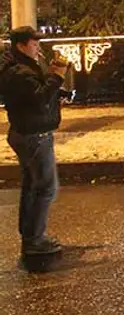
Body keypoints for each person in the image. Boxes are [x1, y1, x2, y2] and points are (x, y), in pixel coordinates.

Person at [0, 26, 68, 256]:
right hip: (34, 136)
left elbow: (35, 96)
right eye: (33, 42)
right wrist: (56, 75)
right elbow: (39, 99)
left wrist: (57, 91)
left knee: (32, 186)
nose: (38, 46)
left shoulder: (21, 68)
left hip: (27, 133)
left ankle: (29, 236)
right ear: (21, 45)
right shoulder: (20, 72)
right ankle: (34, 241)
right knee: (46, 188)